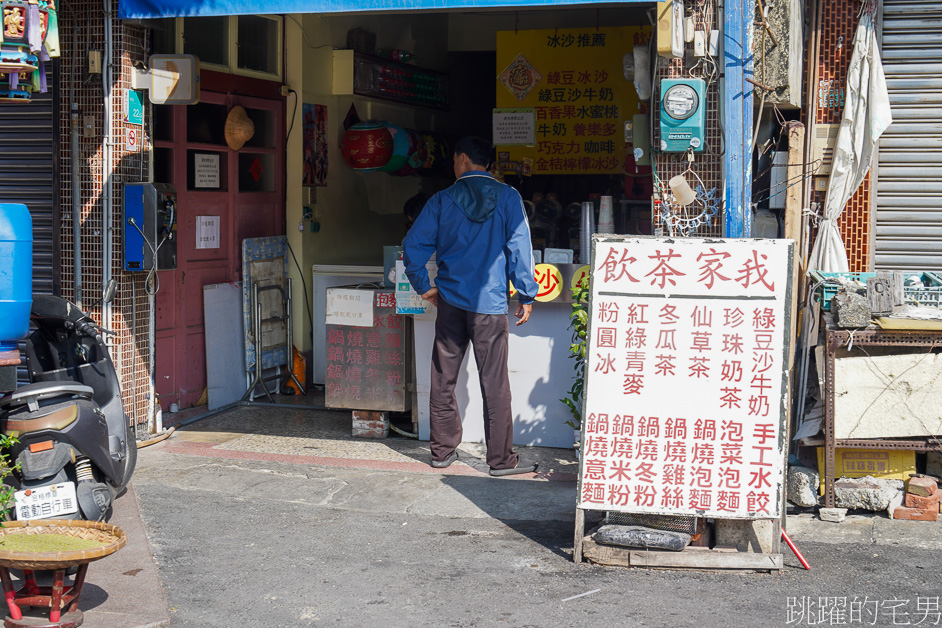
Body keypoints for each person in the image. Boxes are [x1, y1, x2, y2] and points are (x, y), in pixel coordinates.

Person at [403, 136, 540, 477]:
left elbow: (412, 246)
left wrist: (424, 287)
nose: (453, 165)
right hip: (490, 305)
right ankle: (500, 462)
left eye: (453, 160)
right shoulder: (509, 198)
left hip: (450, 301)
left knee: (443, 377)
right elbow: (520, 248)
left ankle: (441, 452)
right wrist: (526, 294)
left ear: (463, 159)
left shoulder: (441, 200)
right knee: (494, 382)